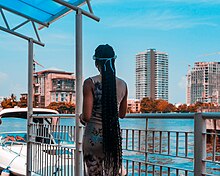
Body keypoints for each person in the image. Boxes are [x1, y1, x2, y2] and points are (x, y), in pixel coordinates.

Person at [80, 44, 128, 176]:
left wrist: (80, 117)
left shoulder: (90, 82)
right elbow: (122, 114)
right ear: (114, 61)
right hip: (112, 138)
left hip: (93, 138)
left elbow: (87, 116)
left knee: (93, 173)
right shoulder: (123, 84)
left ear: (96, 62)